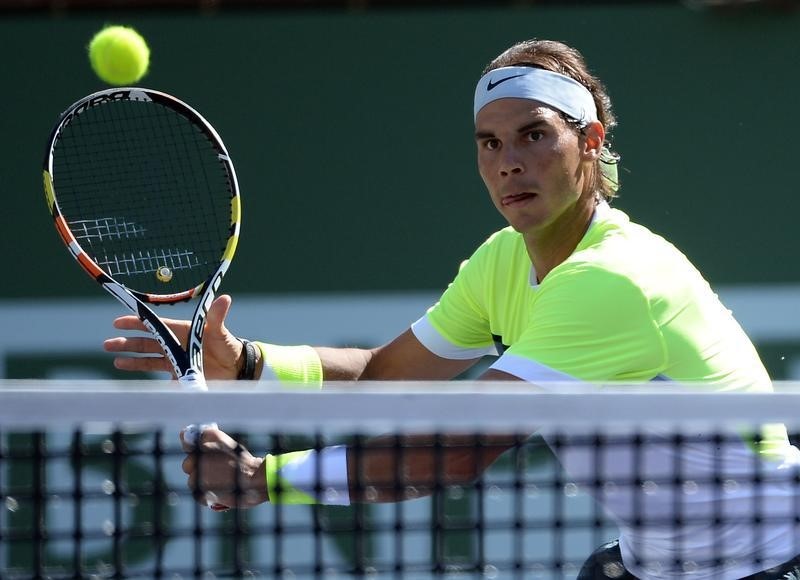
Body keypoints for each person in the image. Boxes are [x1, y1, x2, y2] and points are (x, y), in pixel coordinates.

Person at [104, 39, 800, 579]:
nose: (507, 164)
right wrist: (248, 363)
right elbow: (386, 375)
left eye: (534, 135)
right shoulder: (502, 259)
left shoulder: (613, 279)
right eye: (489, 143)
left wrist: (266, 479)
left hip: (769, 561)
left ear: (588, 144)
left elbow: (459, 446)